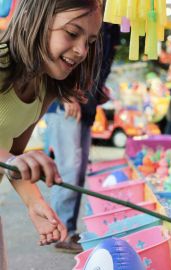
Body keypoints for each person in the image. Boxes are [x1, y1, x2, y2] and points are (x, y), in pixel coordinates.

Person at [0, 0, 103, 267]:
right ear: (37, 19)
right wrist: (12, 162)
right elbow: (10, 160)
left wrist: (33, 202)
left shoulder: (46, 88)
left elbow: (13, 152)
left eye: (90, 41)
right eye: (71, 33)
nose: (81, 50)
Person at [44, 21, 120, 253]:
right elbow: (50, 49)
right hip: (66, 103)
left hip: (86, 105)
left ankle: (69, 231)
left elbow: (98, 64)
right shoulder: (82, 11)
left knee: (77, 170)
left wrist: (98, 91)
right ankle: (62, 231)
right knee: (69, 169)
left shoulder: (112, 21)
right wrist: (62, 95)